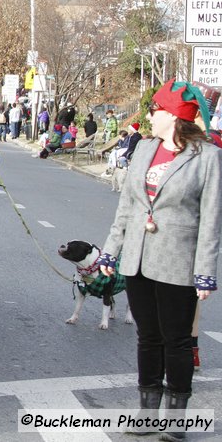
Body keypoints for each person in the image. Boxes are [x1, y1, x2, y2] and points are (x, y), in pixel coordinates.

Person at [96, 79, 222, 438]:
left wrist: (205, 273)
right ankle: (147, 413)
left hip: (178, 261)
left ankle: (176, 420)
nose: (148, 115)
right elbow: (127, 206)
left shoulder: (208, 158)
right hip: (137, 257)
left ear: (173, 115)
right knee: (148, 337)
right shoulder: (145, 149)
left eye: (154, 110)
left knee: (177, 340)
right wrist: (111, 249)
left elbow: (212, 218)